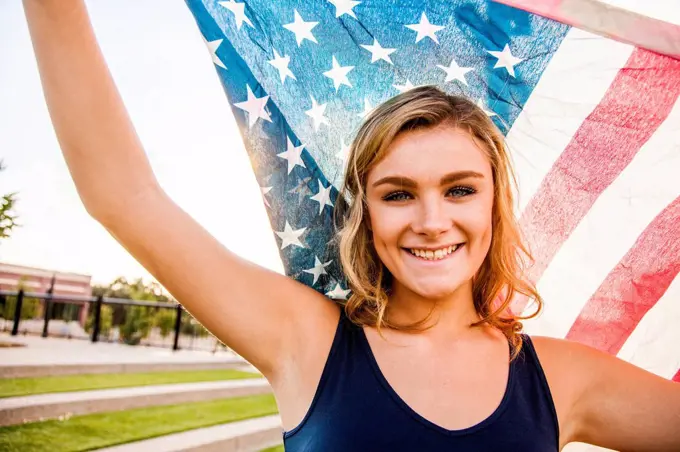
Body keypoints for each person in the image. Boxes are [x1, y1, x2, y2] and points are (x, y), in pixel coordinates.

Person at [23, 1, 680, 451]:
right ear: (366, 216)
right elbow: (123, 195)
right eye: (398, 194)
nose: (431, 221)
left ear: (491, 208)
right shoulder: (306, 340)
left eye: (459, 190)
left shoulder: (563, 379)